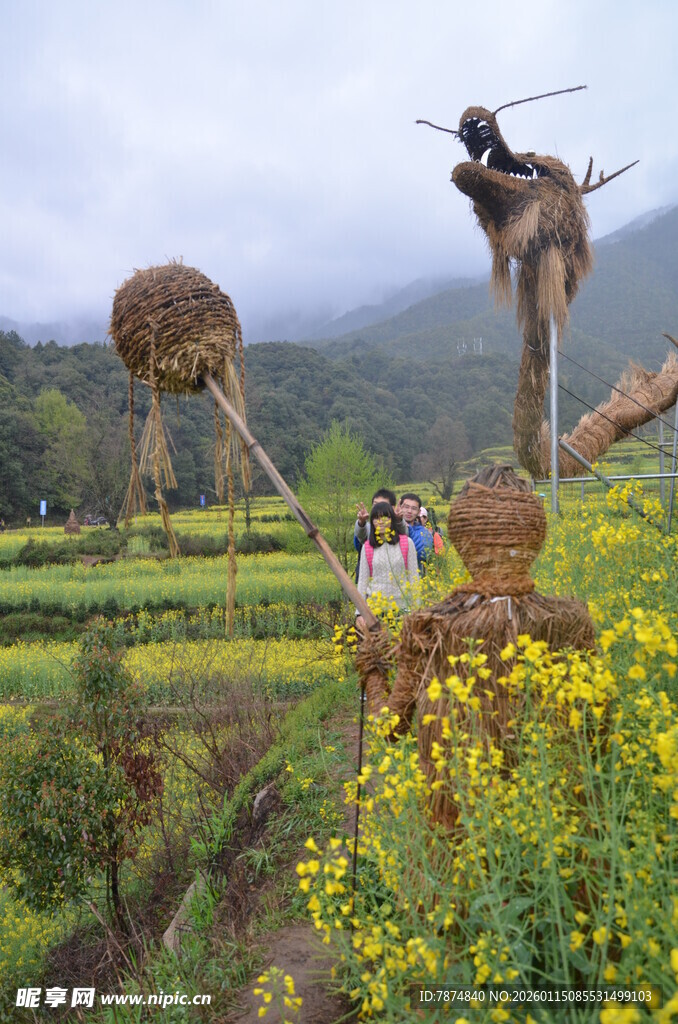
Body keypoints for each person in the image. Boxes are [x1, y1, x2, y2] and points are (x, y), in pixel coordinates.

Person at [355, 501, 419, 632]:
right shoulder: (367, 547)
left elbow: (414, 579)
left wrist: (416, 610)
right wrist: (359, 613)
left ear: (392, 520)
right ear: (372, 522)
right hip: (375, 613)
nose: (381, 521)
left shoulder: (407, 543)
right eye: (376, 518)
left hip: (403, 611)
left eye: (386, 517)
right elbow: (362, 582)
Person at [353, 488, 406, 582]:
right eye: (375, 505)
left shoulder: (398, 528)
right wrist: (361, 522)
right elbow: (361, 536)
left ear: (392, 508)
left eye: (383, 505)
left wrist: (398, 520)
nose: (378, 508)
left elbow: (404, 532)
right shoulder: (370, 527)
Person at [399, 493, 434, 572]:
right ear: (399, 507)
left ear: (419, 512)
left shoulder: (425, 532)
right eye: (406, 507)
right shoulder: (389, 527)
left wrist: (409, 530)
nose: (409, 511)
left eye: (414, 508)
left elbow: (422, 554)